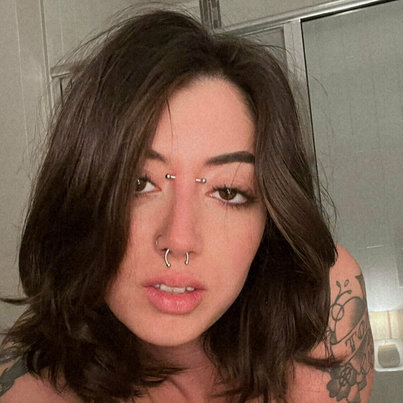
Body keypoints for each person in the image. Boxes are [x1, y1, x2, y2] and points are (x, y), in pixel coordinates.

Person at [0, 8, 374, 403]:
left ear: (270, 217)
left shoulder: (325, 300)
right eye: (138, 184)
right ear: (79, 195)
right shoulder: (31, 389)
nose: (179, 240)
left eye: (227, 192)